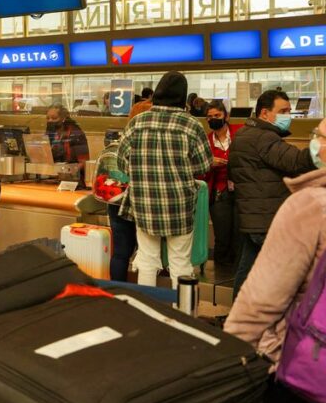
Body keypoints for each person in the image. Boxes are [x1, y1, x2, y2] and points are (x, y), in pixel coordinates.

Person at [224, 117, 326, 403]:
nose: (314, 143)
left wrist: (228, 358)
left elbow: (260, 302)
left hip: (304, 368)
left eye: (318, 135)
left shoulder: (310, 207)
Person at [116, 72, 212, 288]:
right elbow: (204, 166)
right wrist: (180, 169)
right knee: (180, 262)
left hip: (144, 204)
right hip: (179, 205)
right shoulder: (191, 125)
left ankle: (149, 311)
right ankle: (183, 313)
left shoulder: (136, 123)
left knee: (147, 259)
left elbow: (122, 164)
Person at [229, 90, 317, 298]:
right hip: (268, 218)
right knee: (289, 273)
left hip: (253, 216)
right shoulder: (264, 137)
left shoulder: (243, 134)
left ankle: (237, 317)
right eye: (283, 111)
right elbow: (295, 161)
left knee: (247, 268)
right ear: (265, 113)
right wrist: (319, 149)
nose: (288, 115)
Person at [198, 100, 242, 268]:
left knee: (240, 234)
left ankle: (237, 272)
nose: (213, 119)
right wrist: (209, 163)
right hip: (219, 192)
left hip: (241, 190)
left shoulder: (240, 132)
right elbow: (199, 169)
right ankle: (221, 272)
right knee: (222, 235)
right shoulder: (205, 141)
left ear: (226, 116)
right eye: (209, 117)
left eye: (217, 115)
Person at [45, 104, 89, 170]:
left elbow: (84, 163)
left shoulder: (76, 134)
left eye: (54, 118)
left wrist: (67, 171)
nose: (50, 121)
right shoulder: (51, 134)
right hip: (52, 174)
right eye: (48, 118)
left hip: (71, 176)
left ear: (63, 118)